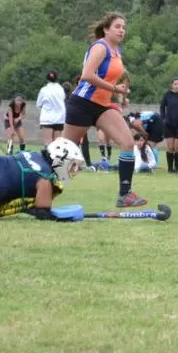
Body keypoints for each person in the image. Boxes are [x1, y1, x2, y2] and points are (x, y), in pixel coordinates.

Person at [63, 12, 147, 208]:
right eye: (117, 26)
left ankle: (124, 195)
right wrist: (115, 89)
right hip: (82, 104)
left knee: (127, 143)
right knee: (66, 157)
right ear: (106, 29)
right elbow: (87, 75)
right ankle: (39, 190)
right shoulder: (100, 47)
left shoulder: (117, 51)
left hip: (102, 106)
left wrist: (118, 96)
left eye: (124, 27)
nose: (122, 30)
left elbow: (109, 79)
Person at [36, 71, 67, 145]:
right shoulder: (60, 89)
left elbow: (38, 104)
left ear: (47, 79)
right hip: (59, 119)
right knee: (57, 144)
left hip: (47, 119)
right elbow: (63, 99)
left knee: (48, 143)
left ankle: (48, 156)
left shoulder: (44, 90)